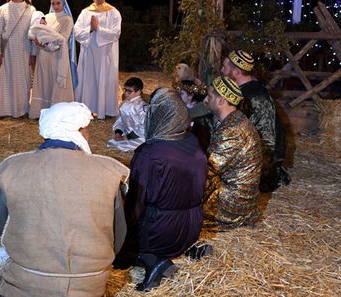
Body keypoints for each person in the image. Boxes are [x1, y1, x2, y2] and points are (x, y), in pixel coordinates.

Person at [0, 102, 129, 297]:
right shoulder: (109, 171)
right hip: (90, 283)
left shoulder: (13, 168)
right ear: (79, 131)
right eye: (87, 130)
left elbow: (4, 226)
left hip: (29, 280)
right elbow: (118, 234)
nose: (90, 136)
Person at [114, 88, 207, 291]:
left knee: (117, 244)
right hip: (192, 226)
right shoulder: (193, 141)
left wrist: (122, 233)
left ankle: (154, 262)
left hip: (161, 232)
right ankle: (187, 251)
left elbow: (137, 204)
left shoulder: (150, 153)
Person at [221, 50, 291, 192]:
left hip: (260, 161)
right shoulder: (248, 88)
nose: (221, 71)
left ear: (235, 73)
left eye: (224, 67)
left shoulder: (250, 95)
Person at [203, 76, 262, 229]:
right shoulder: (236, 119)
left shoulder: (232, 131)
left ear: (221, 100)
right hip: (240, 194)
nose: (206, 99)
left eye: (209, 96)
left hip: (234, 202)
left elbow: (209, 169)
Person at [74, 0, 121, 119]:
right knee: (88, 81)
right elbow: (77, 32)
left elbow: (115, 33)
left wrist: (98, 29)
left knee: (103, 79)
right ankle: (86, 111)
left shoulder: (113, 13)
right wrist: (90, 29)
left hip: (105, 54)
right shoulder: (85, 12)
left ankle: (104, 110)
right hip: (88, 53)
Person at [0, 0, 35, 118]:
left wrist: (33, 53)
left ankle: (22, 111)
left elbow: (35, 33)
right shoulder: (3, 8)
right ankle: (5, 111)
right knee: (7, 80)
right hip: (8, 50)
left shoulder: (31, 10)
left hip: (25, 50)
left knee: (24, 81)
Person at [28, 0, 76, 119]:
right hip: (44, 55)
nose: (55, 6)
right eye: (53, 3)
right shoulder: (46, 17)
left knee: (56, 81)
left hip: (58, 56)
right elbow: (39, 33)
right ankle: (41, 111)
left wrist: (50, 41)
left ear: (63, 4)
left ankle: (57, 113)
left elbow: (63, 39)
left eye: (58, 3)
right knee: (44, 81)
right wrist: (39, 42)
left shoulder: (67, 19)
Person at [107, 77, 148, 152]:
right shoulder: (124, 103)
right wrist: (118, 132)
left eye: (129, 91)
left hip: (140, 136)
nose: (125, 93)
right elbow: (120, 120)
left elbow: (144, 127)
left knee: (122, 146)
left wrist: (127, 137)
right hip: (127, 133)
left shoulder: (142, 107)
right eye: (125, 90)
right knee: (112, 142)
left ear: (138, 92)